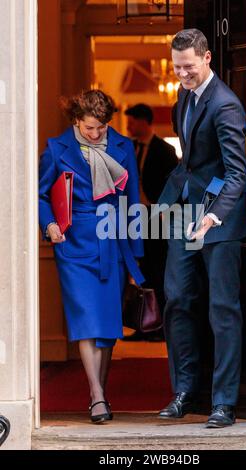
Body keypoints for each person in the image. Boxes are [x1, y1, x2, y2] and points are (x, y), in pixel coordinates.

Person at [157, 29, 246, 427]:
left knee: (222, 308)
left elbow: (236, 174)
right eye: (177, 68)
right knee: (177, 298)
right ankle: (183, 391)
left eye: (189, 68)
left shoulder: (226, 106)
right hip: (184, 212)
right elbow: (188, 163)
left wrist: (213, 215)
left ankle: (224, 402)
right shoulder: (182, 97)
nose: (182, 75)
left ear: (207, 58)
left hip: (219, 220)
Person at [39, 90, 144, 423]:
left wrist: (135, 256)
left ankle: (101, 391)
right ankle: (97, 395)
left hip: (113, 240)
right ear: (76, 120)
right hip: (74, 243)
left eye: (101, 127)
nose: (96, 134)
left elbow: (131, 202)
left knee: (108, 325)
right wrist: (50, 224)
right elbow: (40, 195)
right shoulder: (57, 148)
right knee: (86, 319)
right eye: (89, 128)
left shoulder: (124, 146)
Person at [123, 104, 178, 341]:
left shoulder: (164, 150)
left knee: (158, 271)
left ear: (144, 121)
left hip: (156, 216)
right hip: (133, 216)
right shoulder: (128, 148)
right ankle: (142, 324)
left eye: (132, 121)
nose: (129, 126)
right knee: (140, 271)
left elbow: (173, 184)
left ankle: (160, 327)